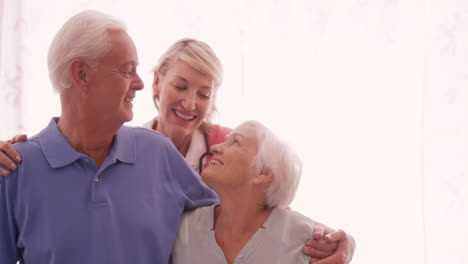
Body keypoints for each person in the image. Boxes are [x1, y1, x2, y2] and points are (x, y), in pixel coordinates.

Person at [0, 35, 355, 264]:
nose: (190, 103)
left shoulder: (228, 149)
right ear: (157, 82)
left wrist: (335, 240)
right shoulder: (124, 147)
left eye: (204, 93)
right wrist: (24, 152)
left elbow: (267, 213)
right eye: (181, 86)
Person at [0, 10, 218, 264]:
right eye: (127, 71)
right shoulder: (15, 168)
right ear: (81, 74)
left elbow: (233, 228)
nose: (139, 84)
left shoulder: (159, 153)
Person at [173, 120, 347, 263]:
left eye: (235, 142)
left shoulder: (307, 241)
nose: (216, 147)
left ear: (263, 172)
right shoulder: (182, 229)